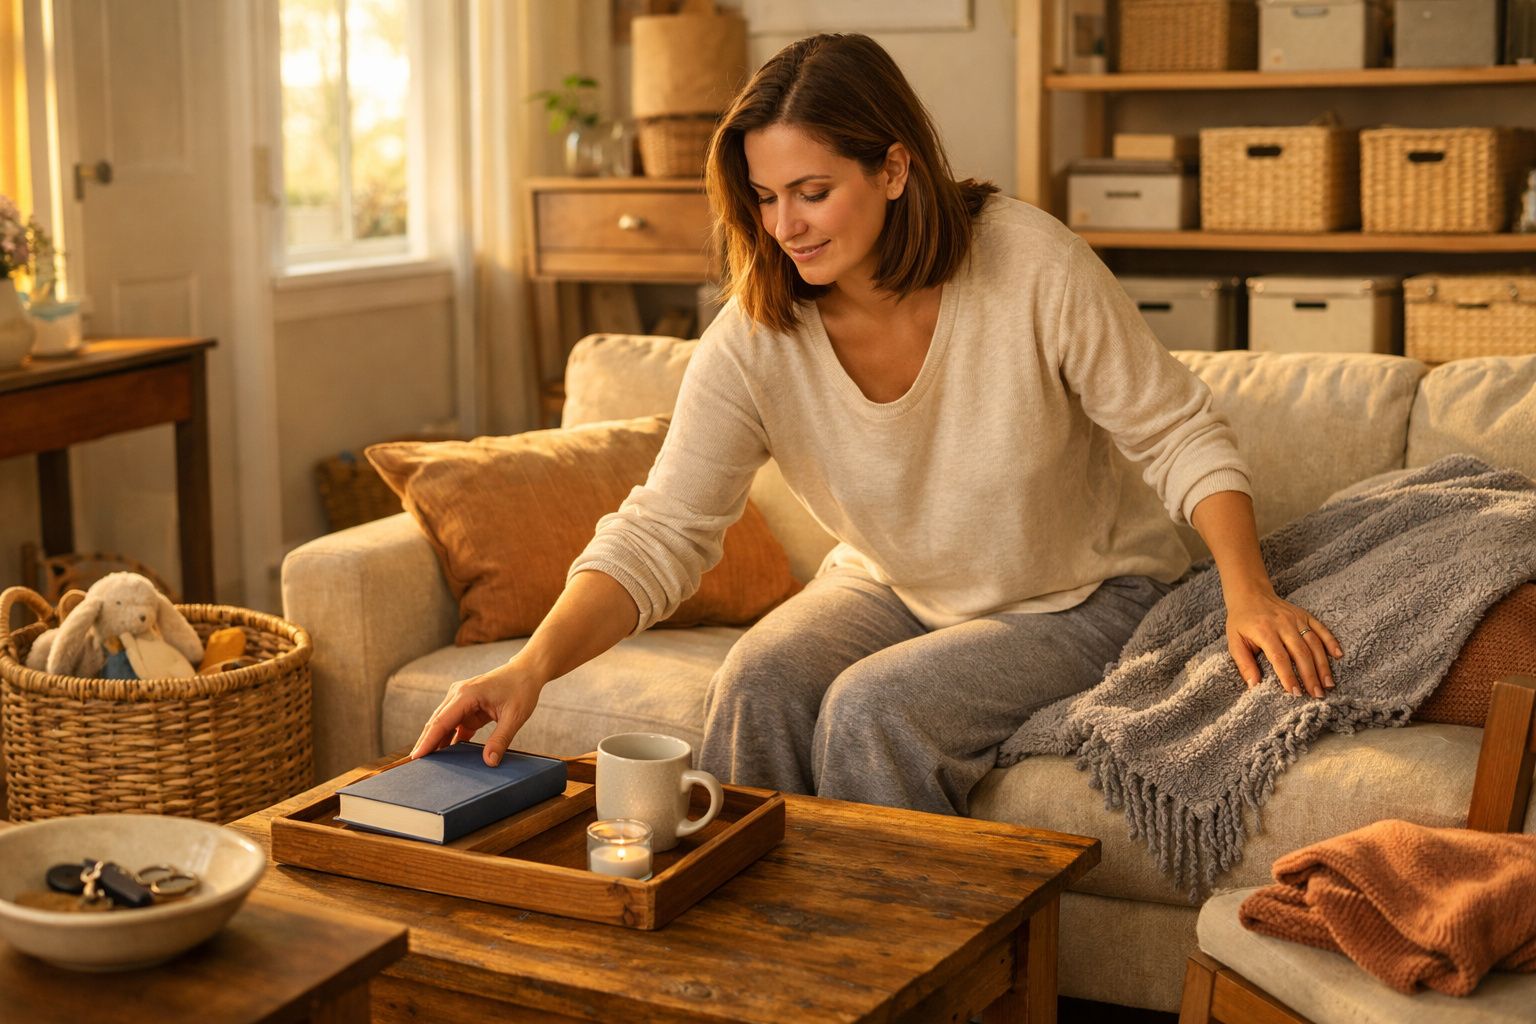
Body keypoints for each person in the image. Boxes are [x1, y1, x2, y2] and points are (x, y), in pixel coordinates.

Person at [412, 33, 1342, 815]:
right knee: (755, 683)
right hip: (894, 584)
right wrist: (531, 669)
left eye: (812, 191)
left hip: (1083, 595)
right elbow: (664, 529)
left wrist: (1247, 594)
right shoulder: (756, 332)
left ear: (895, 167)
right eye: (765, 198)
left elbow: (1177, 432)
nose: (786, 225)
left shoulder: (1029, 265)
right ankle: (762, 964)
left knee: (874, 709)